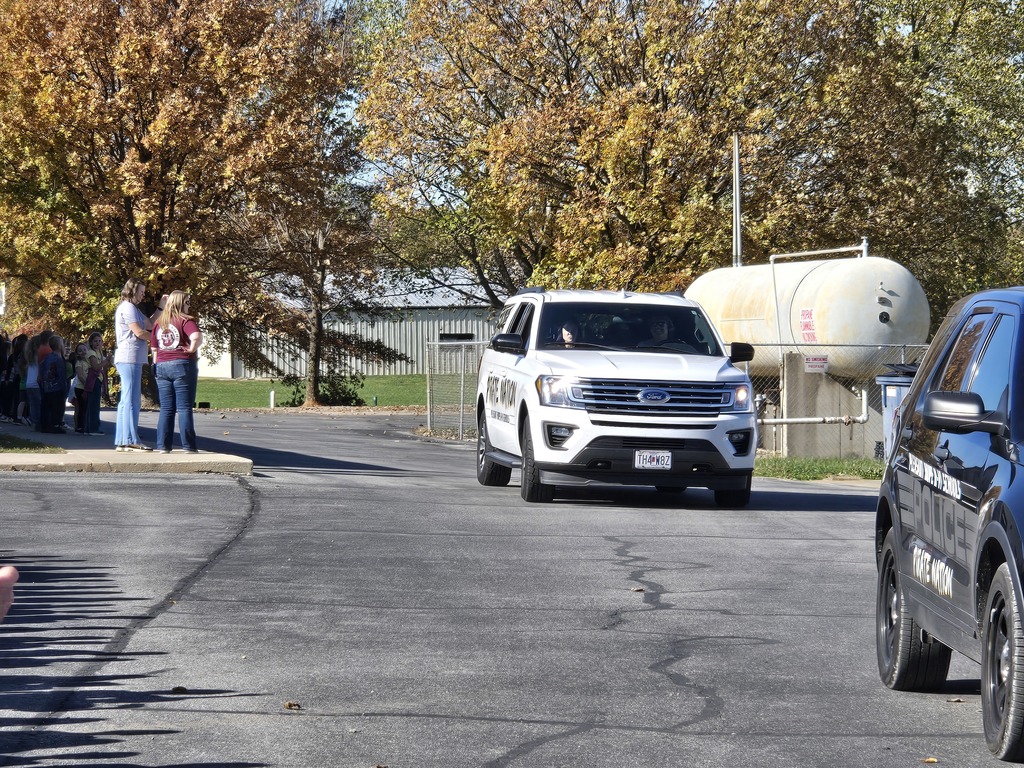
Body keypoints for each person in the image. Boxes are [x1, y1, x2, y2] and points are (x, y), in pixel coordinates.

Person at [114, 278, 163, 452]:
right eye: (141, 291)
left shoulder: (132, 308)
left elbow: (150, 323)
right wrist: (162, 340)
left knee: (127, 400)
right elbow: (140, 332)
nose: (143, 295)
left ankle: (122, 440)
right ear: (132, 290)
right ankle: (130, 439)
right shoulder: (127, 308)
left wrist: (161, 307)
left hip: (131, 358)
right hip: (129, 357)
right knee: (132, 400)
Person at [151, 290, 202, 453]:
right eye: (187, 302)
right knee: (185, 407)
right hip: (182, 364)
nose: (189, 305)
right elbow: (196, 336)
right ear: (180, 303)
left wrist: (157, 366)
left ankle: (163, 446)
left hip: (162, 366)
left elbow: (154, 349)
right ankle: (188, 446)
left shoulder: (159, 323)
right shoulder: (186, 320)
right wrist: (192, 348)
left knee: (166, 408)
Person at [38, 334, 68, 432]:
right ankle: (55, 425)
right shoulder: (57, 359)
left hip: (47, 386)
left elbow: (41, 370)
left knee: (46, 407)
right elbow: (61, 375)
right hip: (56, 387)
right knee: (56, 407)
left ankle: (45, 425)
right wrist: (64, 387)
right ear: (59, 345)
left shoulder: (47, 358)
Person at [84, 332, 108, 435]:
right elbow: (96, 367)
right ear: (91, 342)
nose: (98, 343)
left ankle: (91, 427)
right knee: (93, 405)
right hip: (93, 379)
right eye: (95, 341)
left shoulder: (99, 352)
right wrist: (106, 360)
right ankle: (92, 428)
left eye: (99, 341)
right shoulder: (91, 353)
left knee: (95, 404)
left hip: (98, 379)